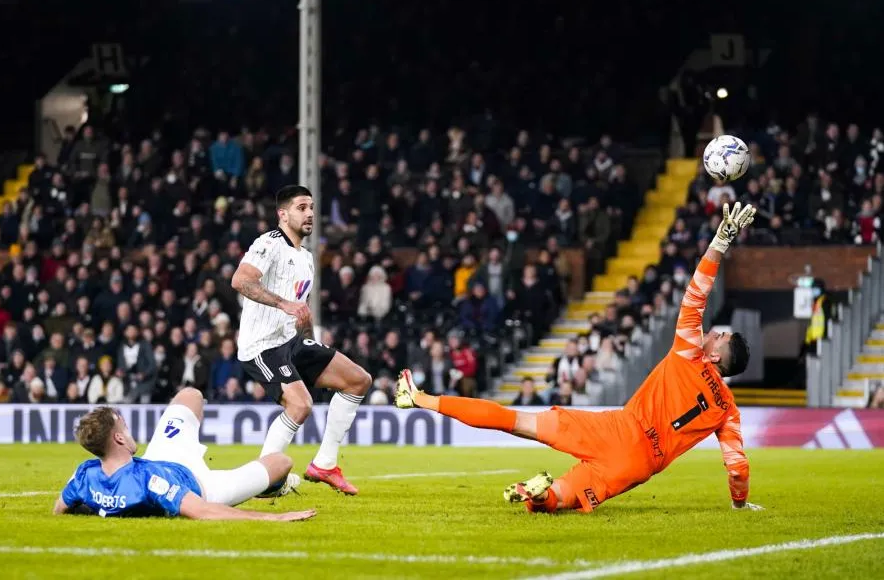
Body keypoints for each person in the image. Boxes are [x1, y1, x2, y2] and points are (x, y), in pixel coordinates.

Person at [396, 203, 764, 514]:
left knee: (514, 420)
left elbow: (697, 293)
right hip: (637, 466)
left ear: (715, 355)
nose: (713, 332)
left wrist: (720, 241)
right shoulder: (728, 411)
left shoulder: (689, 353)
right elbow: (737, 466)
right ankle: (540, 496)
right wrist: (739, 504)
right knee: (561, 498)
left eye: (719, 336)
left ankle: (421, 398)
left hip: (618, 428)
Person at [232, 186, 372, 495]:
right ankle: (265, 480)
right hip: (261, 346)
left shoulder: (307, 258)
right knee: (300, 404)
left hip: (290, 342)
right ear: (283, 214)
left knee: (358, 380)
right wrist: (284, 304)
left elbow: (297, 311)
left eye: (311, 207)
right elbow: (240, 280)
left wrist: (305, 330)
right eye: (301, 207)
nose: (310, 213)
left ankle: (324, 464)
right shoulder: (268, 244)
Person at [54, 388, 314, 521]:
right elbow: (203, 511)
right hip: (205, 486)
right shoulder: (149, 480)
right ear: (119, 438)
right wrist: (275, 518)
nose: (129, 430)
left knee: (190, 395)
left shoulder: (85, 473)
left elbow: (60, 509)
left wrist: (101, 508)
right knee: (282, 462)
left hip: (161, 456)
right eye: (124, 425)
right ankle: (270, 489)